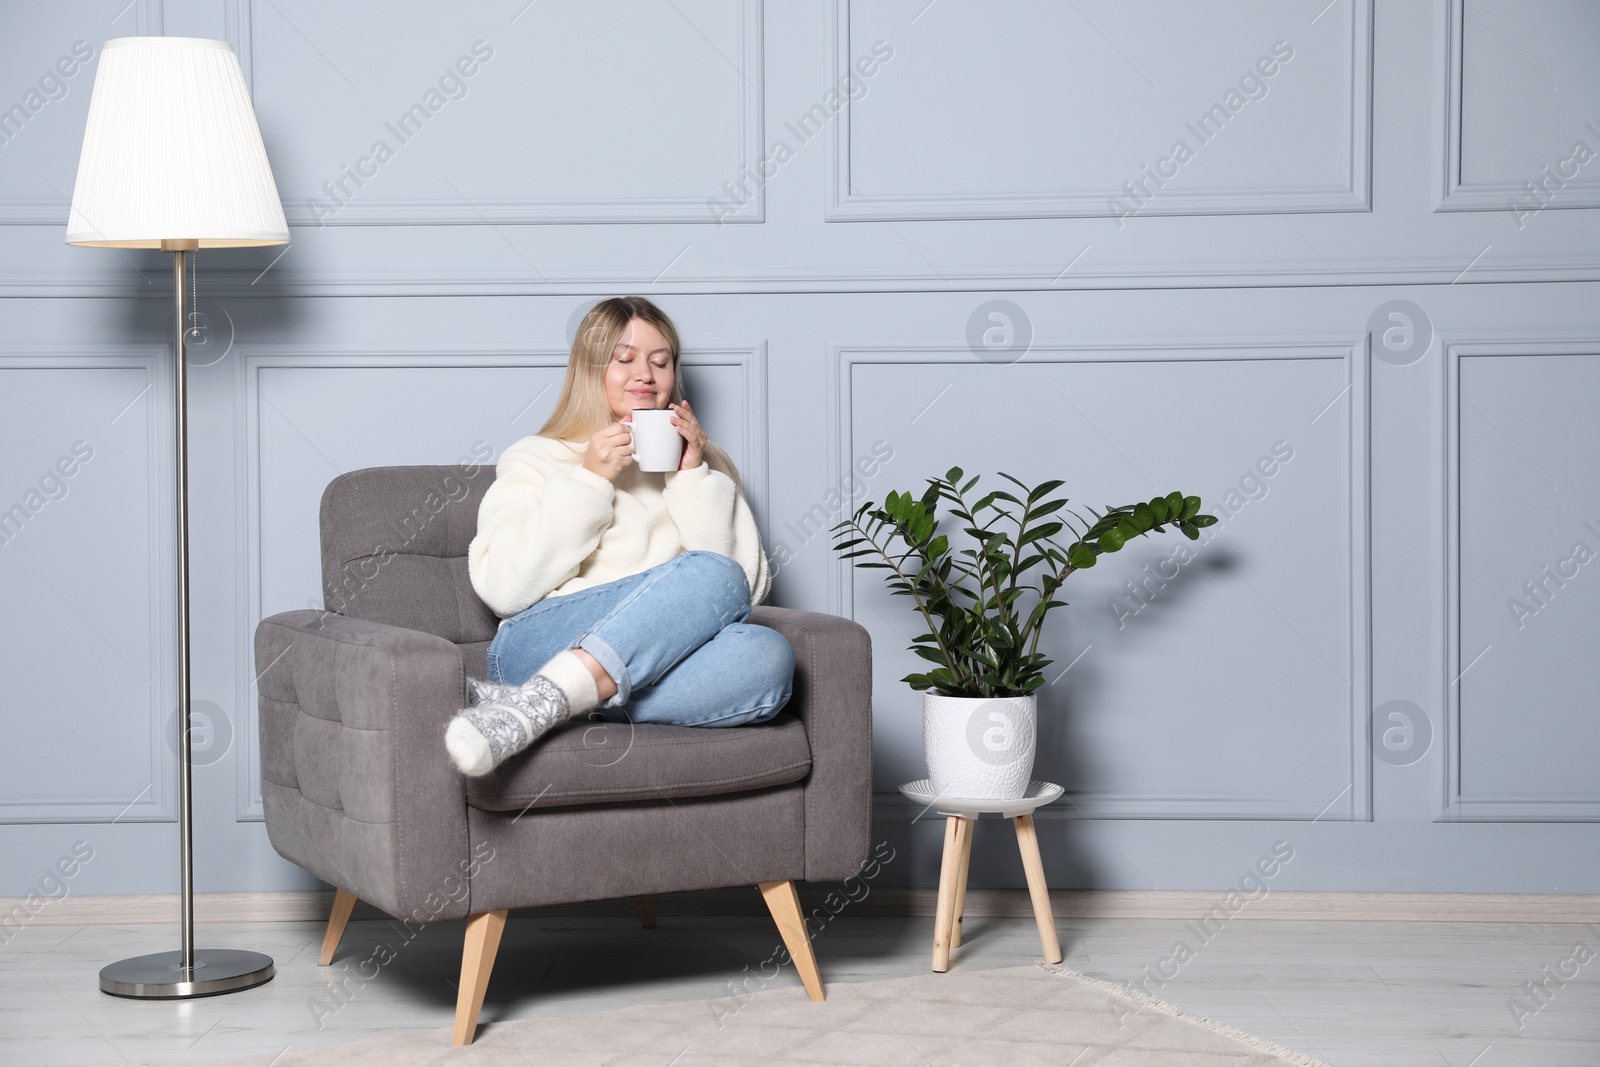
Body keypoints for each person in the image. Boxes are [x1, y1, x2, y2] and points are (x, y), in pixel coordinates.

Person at [445, 296, 795, 777]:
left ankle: (536, 707)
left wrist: (691, 476)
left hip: (635, 662)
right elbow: (503, 588)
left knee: (768, 656)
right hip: (538, 643)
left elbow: (744, 592)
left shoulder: (700, 469)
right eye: (624, 359)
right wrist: (590, 480)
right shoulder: (536, 457)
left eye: (660, 361)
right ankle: (556, 690)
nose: (646, 375)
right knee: (715, 573)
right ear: (590, 370)